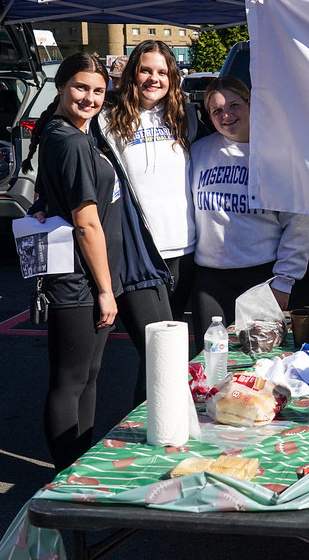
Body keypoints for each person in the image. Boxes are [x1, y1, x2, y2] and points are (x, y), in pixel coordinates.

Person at [20, 54, 122, 472]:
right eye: (81, 87)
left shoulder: (63, 134)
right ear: (61, 86)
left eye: (98, 91)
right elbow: (87, 224)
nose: (90, 97)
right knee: (71, 381)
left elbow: (46, 195)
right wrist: (105, 290)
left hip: (80, 277)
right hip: (78, 280)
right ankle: (67, 475)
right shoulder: (73, 141)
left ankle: (80, 464)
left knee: (87, 376)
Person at [90, 40, 201, 394]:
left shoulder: (186, 116)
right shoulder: (104, 121)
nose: (154, 79)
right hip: (136, 254)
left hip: (184, 250)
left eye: (162, 72)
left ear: (173, 77)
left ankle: (152, 432)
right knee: (161, 353)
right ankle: (157, 431)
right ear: (131, 73)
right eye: (146, 70)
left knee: (159, 359)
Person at [189, 76, 309, 335]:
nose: (226, 115)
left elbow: (297, 225)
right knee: (210, 360)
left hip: (261, 278)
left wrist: (284, 282)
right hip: (209, 280)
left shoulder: (277, 155)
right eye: (217, 110)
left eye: (234, 106)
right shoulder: (198, 153)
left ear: (251, 104)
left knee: (258, 359)